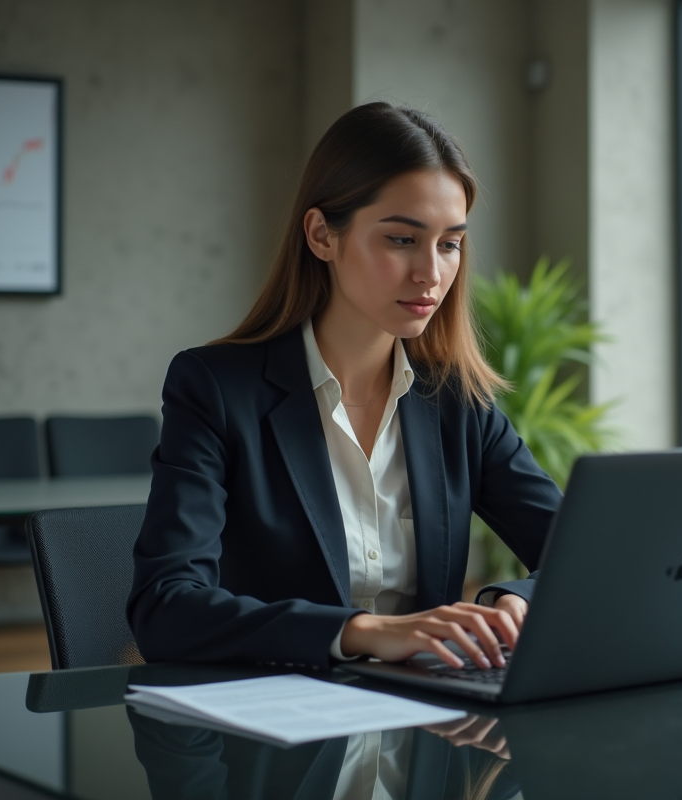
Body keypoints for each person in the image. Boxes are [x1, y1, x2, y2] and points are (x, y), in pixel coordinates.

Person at [127, 102, 563, 673]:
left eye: (449, 243)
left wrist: (512, 602)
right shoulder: (214, 389)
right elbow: (165, 610)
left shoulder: (458, 401)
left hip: (425, 728)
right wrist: (365, 632)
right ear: (321, 235)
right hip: (274, 736)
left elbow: (582, 556)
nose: (431, 273)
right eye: (402, 240)